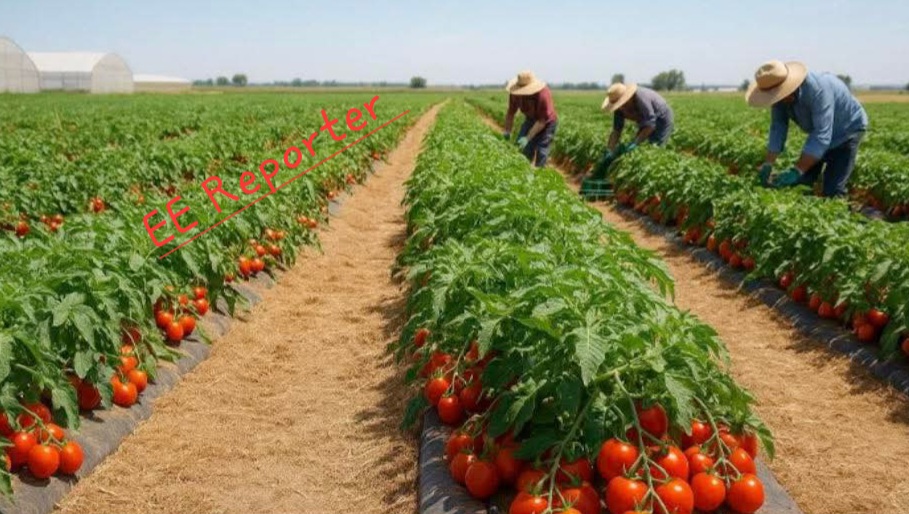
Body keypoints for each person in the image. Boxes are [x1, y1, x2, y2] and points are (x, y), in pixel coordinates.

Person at [746, 60, 868, 197]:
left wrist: (797, 170)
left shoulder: (818, 90)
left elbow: (822, 135)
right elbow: (778, 127)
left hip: (847, 131)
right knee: (803, 184)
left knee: (833, 189)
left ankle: (839, 210)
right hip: (820, 134)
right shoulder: (779, 99)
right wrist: (768, 163)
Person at [594, 83, 674, 176]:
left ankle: (656, 174)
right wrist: (609, 150)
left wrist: (635, 143)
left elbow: (651, 125)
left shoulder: (641, 98)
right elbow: (616, 130)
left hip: (662, 118)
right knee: (639, 147)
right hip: (645, 120)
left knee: (655, 145)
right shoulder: (619, 109)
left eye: (622, 103)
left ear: (628, 98)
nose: (621, 107)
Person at [503, 71, 558, 167]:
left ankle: (540, 174)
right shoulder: (514, 94)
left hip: (547, 122)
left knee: (542, 150)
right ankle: (522, 169)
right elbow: (510, 113)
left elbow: (542, 121)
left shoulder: (542, 94)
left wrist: (528, 138)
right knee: (522, 149)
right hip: (530, 119)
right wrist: (507, 131)